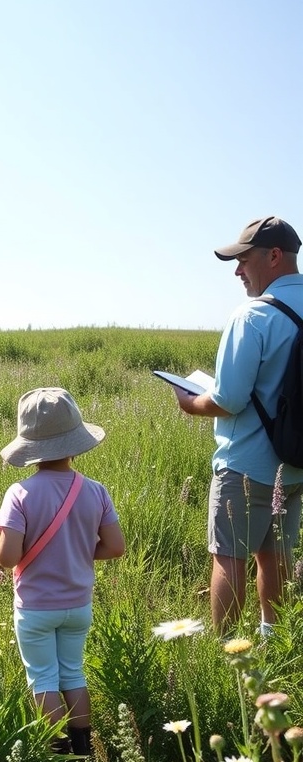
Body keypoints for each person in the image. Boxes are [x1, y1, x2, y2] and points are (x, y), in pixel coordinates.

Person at [173, 216, 303, 636]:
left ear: (274, 256)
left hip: (247, 465)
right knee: (278, 556)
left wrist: (191, 403)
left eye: (243, 260)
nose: (237, 270)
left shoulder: (252, 316)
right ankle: (273, 643)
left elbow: (228, 400)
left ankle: (229, 653)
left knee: (229, 557)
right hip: (298, 463)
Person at [0, 387, 125, 755]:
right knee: (73, 672)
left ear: (29, 447)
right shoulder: (95, 490)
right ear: (74, 442)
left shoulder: (19, 493)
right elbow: (115, 547)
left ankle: (57, 752)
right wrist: (80, 550)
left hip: (35, 607)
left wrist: (2, 540)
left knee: (43, 678)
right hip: (78, 604)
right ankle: (84, 748)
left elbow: (7, 558)